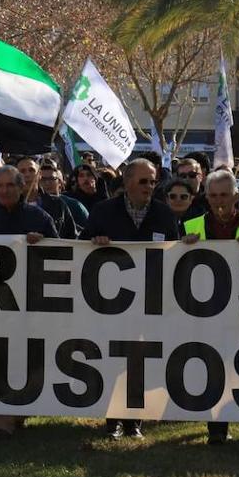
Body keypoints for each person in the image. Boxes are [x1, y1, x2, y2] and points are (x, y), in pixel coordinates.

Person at [81, 158, 178, 440]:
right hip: (112, 301)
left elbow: (175, 252)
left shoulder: (164, 214)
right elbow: (80, 247)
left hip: (149, 301)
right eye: (143, 181)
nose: (149, 186)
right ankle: (113, 421)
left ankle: (134, 421)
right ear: (127, 182)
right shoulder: (103, 212)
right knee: (113, 359)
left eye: (153, 181)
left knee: (139, 361)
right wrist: (94, 242)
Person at [180, 169, 239, 444]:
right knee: (210, 365)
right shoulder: (190, 226)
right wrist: (182, 247)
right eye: (214, 195)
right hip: (202, 311)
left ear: (236, 196)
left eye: (224, 195)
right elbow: (170, 264)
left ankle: (224, 419)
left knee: (233, 364)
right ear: (206, 197)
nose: (219, 201)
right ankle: (216, 427)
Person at [0, 165, 57, 437]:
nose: (5, 191)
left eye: (10, 185)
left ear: (21, 187)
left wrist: (44, 242)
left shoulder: (39, 218)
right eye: (0, 186)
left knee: (27, 356)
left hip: (32, 303)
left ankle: (19, 410)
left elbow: (63, 255)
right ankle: (2, 416)